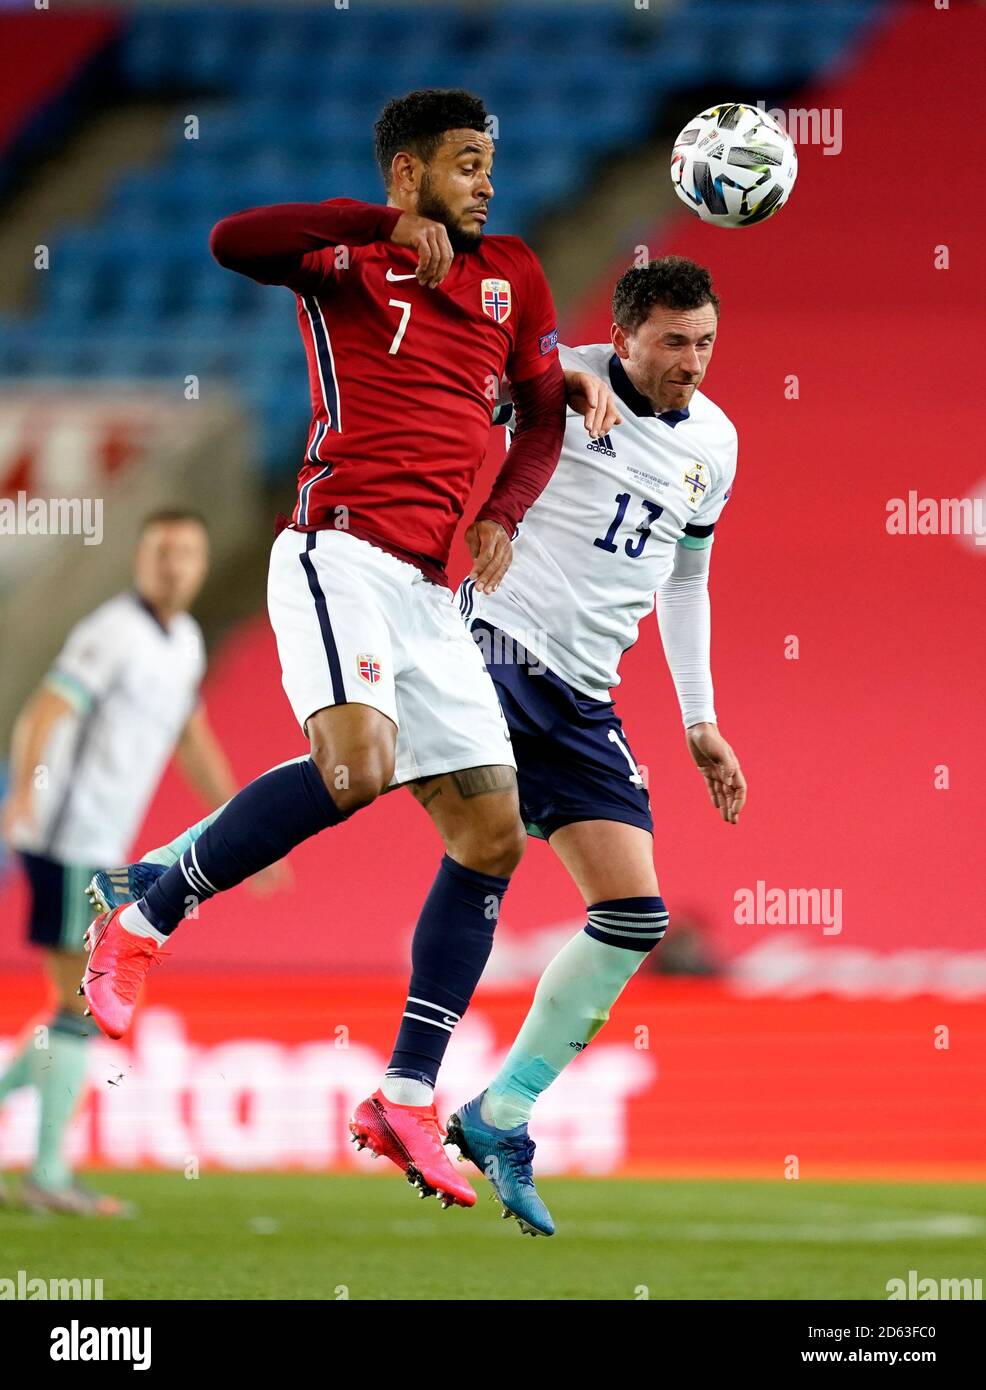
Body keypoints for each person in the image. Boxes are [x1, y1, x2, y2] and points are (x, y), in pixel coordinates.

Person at [80, 88, 573, 1211]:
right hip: (335, 551)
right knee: (355, 767)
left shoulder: (514, 276)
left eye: (487, 161)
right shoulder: (346, 260)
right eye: (461, 162)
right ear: (407, 175)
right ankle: (146, 912)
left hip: (431, 590)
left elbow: (539, 412)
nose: (483, 181)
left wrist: (503, 508)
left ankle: (403, 1093)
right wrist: (368, 225)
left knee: (493, 832)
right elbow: (229, 240)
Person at [447, 256, 747, 1234]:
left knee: (633, 915)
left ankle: (498, 1115)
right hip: (493, 643)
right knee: (377, 775)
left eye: (702, 341)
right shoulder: (559, 382)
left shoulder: (715, 443)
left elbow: (686, 579)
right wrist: (528, 380)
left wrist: (698, 719)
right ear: (621, 336)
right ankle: (169, 881)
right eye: (671, 341)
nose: (689, 361)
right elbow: (457, 392)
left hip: (582, 697)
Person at [0, 510, 266, 1214]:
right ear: (140, 559)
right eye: (160, 551)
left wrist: (251, 831)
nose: (172, 564)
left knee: (75, 1007)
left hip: (100, 848)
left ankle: (47, 1172)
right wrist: (26, 789)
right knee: (77, 1004)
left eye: (186, 551)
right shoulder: (112, 630)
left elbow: (194, 740)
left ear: (203, 564)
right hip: (65, 838)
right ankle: (48, 1177)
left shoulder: (183, 642)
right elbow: (43, 710)